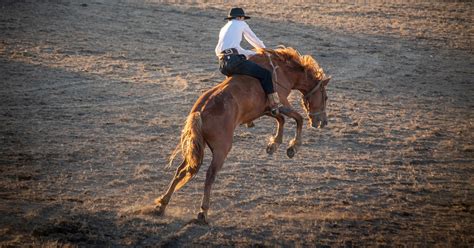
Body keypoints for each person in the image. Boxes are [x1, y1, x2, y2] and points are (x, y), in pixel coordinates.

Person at [215, 7, 281, 116]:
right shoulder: (241, 24)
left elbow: (236, 50)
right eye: (242, 18)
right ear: (240, 17)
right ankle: (274, 104)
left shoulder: (224, 29)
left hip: (223, 64)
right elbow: (253, 39)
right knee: (265, 74)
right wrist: (265, 51)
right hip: (235, 61)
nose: (243, 20)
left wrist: (253, 53)